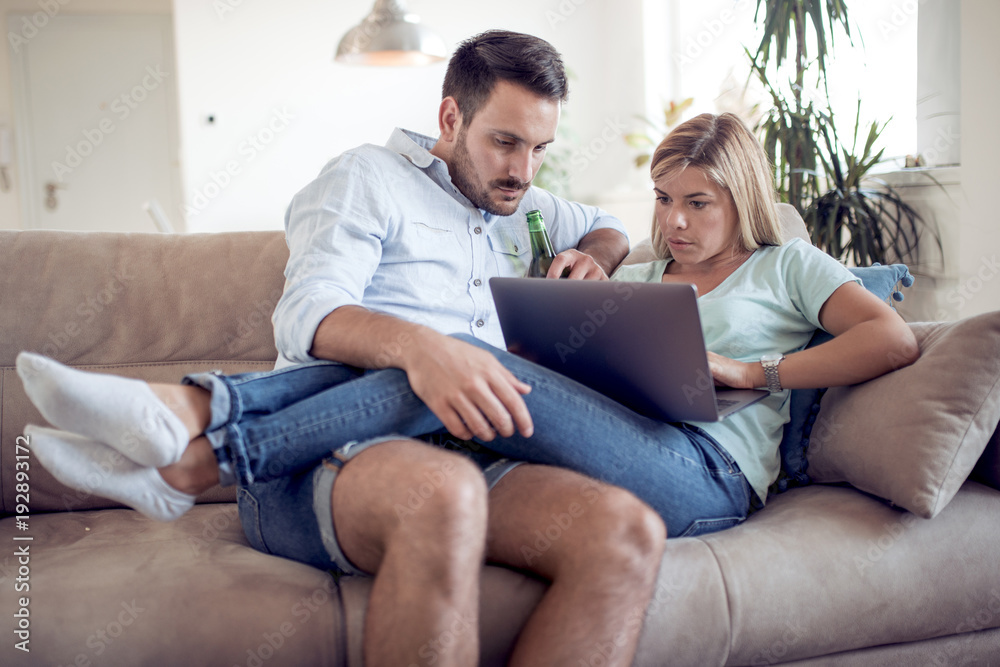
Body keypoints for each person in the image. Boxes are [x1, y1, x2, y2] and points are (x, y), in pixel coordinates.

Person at [21, 108, 921, 658]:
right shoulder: (640, 283)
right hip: (628, 444)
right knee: (448, 369)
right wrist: (591, 286)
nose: (674, 222)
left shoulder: (787, 263)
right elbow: (602, 253)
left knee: (452, 364)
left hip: (708, 475)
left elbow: (888, 343)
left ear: (743, 200)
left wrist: (753, 370)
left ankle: (203, 444)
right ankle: (197, 441)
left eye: (699, 203)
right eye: (664, 199)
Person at [19, 30, 670, 667]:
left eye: (539, 148)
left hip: (472, 443)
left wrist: (596, 255)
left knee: (627, 531)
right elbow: (308, 310)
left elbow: (605, 225)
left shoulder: (518, 201)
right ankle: (193, 436)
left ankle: (186, 423)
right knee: (445, 491)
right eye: (505, 143)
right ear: (451, 116)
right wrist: (424, 350)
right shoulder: (367, 177)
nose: (522, 171)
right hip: (323, 457)